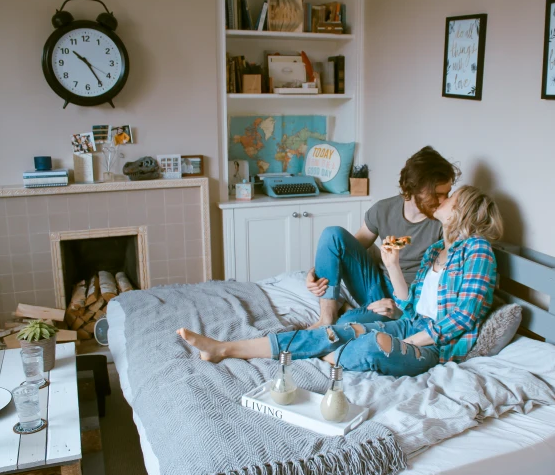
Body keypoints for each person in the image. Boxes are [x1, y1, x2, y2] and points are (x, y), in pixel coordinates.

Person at [177, 185, 503, 378]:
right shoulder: (437, 249)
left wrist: (414, 340)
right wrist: (390, 265)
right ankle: (224, 348)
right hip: (411, 324)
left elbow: (462, 317)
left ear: (462, 209)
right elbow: (410, 307)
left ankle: (321, 351)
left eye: (449, 198)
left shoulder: (477, 251)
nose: (442, 201)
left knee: (367, 345)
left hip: (436, 345)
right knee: (332, 332)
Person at [306, 146, 460, 329]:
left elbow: (441, 283)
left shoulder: (443, 223)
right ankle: (326, 318)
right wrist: (316, 274)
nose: (444, 201)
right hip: (374, 286)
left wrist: (402, 309)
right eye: (438, 194)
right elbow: (345, 247)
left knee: (347, 324)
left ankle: (348, 313)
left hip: (406, 299)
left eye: (447, 193)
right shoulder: (383, 209)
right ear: (414, 187)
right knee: (332, 234)